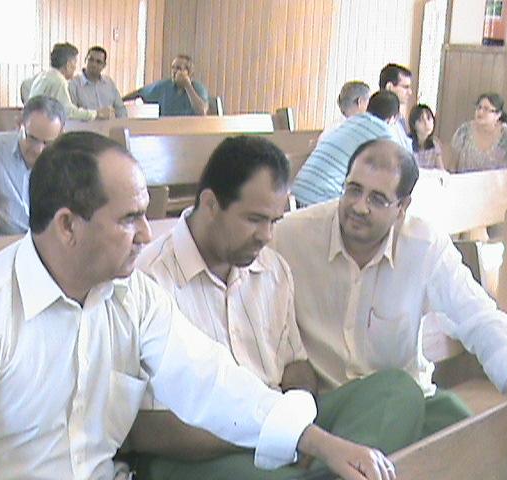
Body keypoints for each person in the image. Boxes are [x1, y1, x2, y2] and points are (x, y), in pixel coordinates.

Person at [0, 131, 402, 480]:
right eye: (128, 219)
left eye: (145, 214)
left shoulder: (131, 296)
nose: (146, 234)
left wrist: (321, 443)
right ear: (66, 226)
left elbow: (210, 379)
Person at [133, 135, 423, 479]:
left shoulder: (271, 269)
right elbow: (143, 430)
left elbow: (295, 365)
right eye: (255, 219)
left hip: (282, 427)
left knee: (396, 390)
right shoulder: (149, 281)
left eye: (274, 220)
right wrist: (274, 435)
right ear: (210, 204)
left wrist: (299, 427)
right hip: (195, 456)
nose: (267, 235)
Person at [274, 138, 507, 461]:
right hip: (327, 407)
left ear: (402, 208)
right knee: (396, 394)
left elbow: (478, 317)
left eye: (377, 199)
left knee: (475, 438)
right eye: (353, 189)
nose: (359, 206)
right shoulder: (291, 236)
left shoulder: (424, 245)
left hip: (407, 405)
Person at [0, 96, 66, 235]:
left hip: (46, 245)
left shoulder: (67, 163)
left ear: (61, 134)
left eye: (47, 143)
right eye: (32, 138)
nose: (38, 150)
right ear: (19, 123)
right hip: (1, 244)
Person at [291, 90, 399, 208]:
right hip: (323, 200)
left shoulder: (349, 121)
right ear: (393, 118)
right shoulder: (385, 133)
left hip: (296, 194)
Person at [451, 92, 507, 181]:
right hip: (465, 186)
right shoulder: (464, 131)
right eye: (479, 107)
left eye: (486, 109)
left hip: (497, 189)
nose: (480, 112)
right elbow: (452, 164)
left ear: (498, 115)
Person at [29, 42, 113, 121]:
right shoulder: (59, 81)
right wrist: (96, 114)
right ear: (68, 64)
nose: (75, 67)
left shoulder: (43, 76)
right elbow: (68, 112)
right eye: (75, 62)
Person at [122, 55, 208, 116]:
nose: (174, 71)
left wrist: (187, 86)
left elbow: (201, 111)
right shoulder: (164, 86)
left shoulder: (198, 89)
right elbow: (140, 92)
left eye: (178, 68)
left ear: (188, 72)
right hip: (166, 130)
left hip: (190, 132)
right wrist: (119, 102)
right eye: (172, 68)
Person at [69, 46, 127, 118]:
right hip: (85, 128)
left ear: (104, 65)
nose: (94, 64)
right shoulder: (74, 84)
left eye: (98, 62)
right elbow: (72, 113)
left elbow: (120, 109)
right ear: (85, 60)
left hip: (109, 127)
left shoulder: (109, 83)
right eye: (91, 60)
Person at [379, 63, 413, 152]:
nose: (410, 92)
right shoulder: (380, 117)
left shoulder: (400, 118)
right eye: (405, 87)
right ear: (389, 87)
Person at [408, 104, 444, 170]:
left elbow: (441, 170)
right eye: (421, 120)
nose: (426, 123)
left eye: (428, 118)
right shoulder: (407, 143)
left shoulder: (435, 144)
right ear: (413, 124)